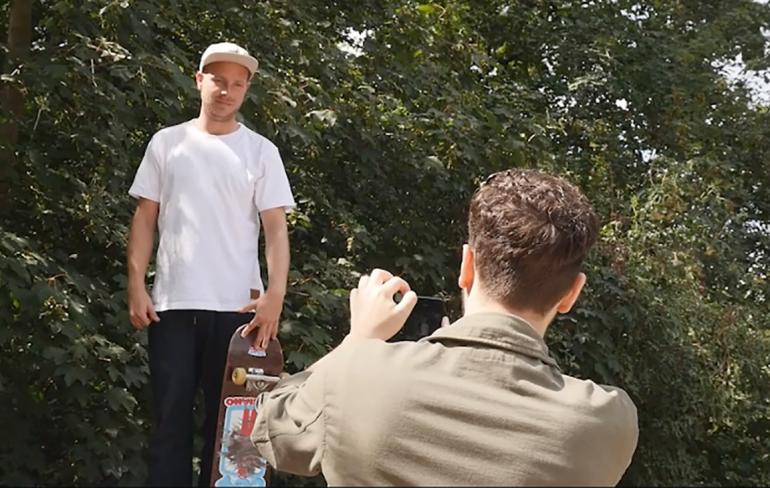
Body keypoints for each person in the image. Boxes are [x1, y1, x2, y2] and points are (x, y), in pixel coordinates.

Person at [245, 168, 638, 486]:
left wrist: (357, 341)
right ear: (571, 293)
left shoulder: (356, 376)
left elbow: (271, 430)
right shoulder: (606, 421)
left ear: (466, 267)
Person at [126, 41, 295, 486]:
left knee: (235, 428)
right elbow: (145, 218)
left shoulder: (261, 151)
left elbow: (276, 229)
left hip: (241, 312)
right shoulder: (168, 143)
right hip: (172, 304)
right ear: (199, 80)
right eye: (219, 80)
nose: (228, 91)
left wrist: (274, 296)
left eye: (238, 84)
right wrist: (136, 285)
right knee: (169, 420)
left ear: (246, 90)